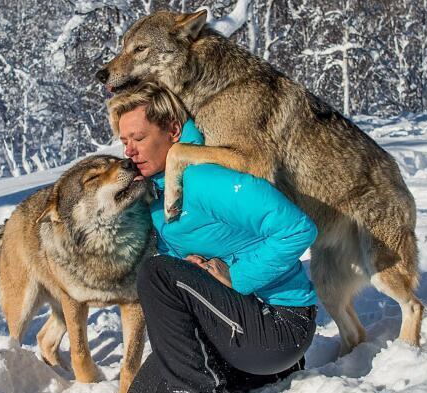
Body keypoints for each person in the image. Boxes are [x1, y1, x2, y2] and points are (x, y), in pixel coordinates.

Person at [107, 82, 318, 393]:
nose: (129, 150)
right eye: (124, 141)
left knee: (157, 273)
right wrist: (192, 267)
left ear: (174, 131)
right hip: (232, 328)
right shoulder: (158, 193)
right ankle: (259, 378)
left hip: (279, 326)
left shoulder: (206, 178)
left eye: (139, 138)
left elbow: (298, 228)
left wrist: (237, 275)